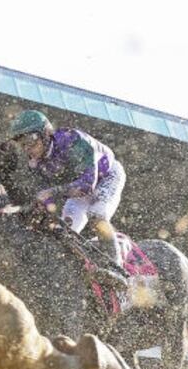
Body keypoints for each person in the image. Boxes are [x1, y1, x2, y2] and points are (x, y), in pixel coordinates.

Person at [8, 109, 127, 268]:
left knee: (96, 215)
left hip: (106, 177)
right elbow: (46, 199)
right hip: (76, 188)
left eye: (31, 140)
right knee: (65, 232)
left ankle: (116, 268)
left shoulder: (72, 140)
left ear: (46, 133)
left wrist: (52, 192)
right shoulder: (34, 164)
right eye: (22, 144)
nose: (27, 148)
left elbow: (87, 185)